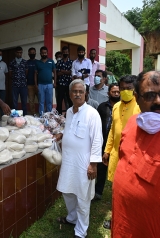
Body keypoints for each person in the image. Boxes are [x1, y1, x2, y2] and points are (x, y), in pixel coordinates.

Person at [112, 70, 160, 237]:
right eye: (150, 96)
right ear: (137, 98)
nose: (158, 101)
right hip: (121, 227)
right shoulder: (132, 123)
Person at [55, 79, 103, 238]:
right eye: (74, 91)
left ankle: (81, 231)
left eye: (80, 92)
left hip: (84, 163)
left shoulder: (92, 113)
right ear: (69, 94)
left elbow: (97, 139)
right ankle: (72, 218)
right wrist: (62, 134)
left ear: (85, 94)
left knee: (83, 197)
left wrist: (93, 164)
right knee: (67, 191)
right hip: (68, 161)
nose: (77, 94)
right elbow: (69, 128)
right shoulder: (69, 111)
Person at [102, 75, 140, 229]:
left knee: (131, 190)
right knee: (116, 189)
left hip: (133, 157)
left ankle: (130, 220)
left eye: (129, 88)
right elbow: (112, 130)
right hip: (116, 155)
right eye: (123, 88)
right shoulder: (116, 106)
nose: (125, 91)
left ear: (135, 90)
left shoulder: (139, 106)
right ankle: (115, 218)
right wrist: (107, 150)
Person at [94, 83, 120, 200]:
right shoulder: (102, 107)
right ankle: (98, 192)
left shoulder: (122, 107)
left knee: (118, 169)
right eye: (113, 91)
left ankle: (117, 193)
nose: (116, 93)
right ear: (109, 92)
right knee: (101, 168)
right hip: (103, 141)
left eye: (118, 92)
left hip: (117, 143)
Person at [35, 46, 56, 115]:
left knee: (49, 102)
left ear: (47, 53)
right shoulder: (37, 63)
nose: (44, 54)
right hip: (40, 85)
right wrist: (36, 85)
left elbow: (55, 72)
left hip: (49, 84)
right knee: (41, 102)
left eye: (45, 53)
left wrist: (55, 82)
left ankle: (49, 116)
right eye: (42, 53)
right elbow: (35, 74)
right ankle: (41, 116)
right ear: (40, 53)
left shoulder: (51, 61)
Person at [9, 46, 28, 115]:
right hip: (15, 85)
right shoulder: (12, 62)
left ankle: (25, 116)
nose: (19, 54)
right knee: (14, 102)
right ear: (15, 53)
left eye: (20, 53)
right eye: (18, 53)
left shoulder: (25, 62)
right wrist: (15, 78)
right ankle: (15, 117)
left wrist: (22, 78)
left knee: (24, 102)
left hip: (23, 85)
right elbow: (10, 73)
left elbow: (26, 72)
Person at [55, 46, 73, 114]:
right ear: (62, 53)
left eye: (66, 52)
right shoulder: (59, 62)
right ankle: (59, 116)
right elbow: (57, 73)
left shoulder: (71, 62)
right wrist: (66, 72)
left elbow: (71, 72)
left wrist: (62, 71)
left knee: (69, 101)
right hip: (60, 84)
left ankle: (69, 114)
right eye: (64, 52)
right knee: (59, 101)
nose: (65, 53)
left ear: (68, 53)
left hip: (69, 84)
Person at [27, 47, 38, 115]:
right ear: (28, 53)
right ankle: (33, 113)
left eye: (33, 53)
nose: (32, 54)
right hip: (29, 84)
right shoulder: (26, 62)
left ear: (35, 53)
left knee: (41, 100)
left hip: (38, 85)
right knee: (31, 101)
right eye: (31, 53)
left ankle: (42, 113)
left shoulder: (38, 62)